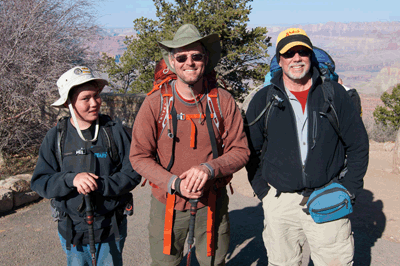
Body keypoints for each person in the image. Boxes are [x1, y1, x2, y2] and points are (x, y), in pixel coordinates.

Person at [245, 28, 369, 265]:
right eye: (289, 53)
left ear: (310, 56)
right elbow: (251, 150)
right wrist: (264, 192)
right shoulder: (264, 100)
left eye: (303, 52)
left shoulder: (334, 95)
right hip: (280, 202)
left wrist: (349, 188)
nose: (296, 58)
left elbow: (358, 145)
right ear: (279, 60)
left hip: (329, 196)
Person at [129, 24, 250, 266]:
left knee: (213, 261)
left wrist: (209, 169)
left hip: (211, 200)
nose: (189, 62)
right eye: (181, 57)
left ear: (205, 59)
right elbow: (139, 156)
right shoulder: (155, 103)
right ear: (172, 62)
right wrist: (174, 183)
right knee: (166, 262)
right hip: (167, 202)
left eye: (196, 56)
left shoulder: (222, 100)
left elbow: (241, 150)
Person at [31, 66, 141, 265]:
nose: (94, 103)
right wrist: (71, 179)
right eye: (85, 98)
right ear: (68, 103)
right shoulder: (56, 137)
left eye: (96, 95)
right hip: (72, 232)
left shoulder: (115, 132)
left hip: (110, 228)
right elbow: (40, 182)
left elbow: (133, 172)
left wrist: (101, 185)